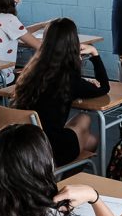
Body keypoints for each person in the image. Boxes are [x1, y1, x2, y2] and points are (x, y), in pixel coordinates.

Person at [12, 18, 105, 166]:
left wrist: (82, 83)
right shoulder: (68, 78)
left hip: (21, 145)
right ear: (73, 44)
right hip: (47, 149)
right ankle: (58, 176)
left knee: (91, 141)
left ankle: (61, 177)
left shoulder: (30, 71)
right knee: (84, 118)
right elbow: (104, 88)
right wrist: (95, 53)